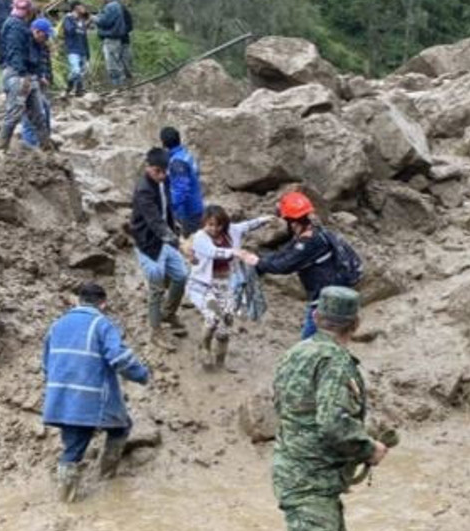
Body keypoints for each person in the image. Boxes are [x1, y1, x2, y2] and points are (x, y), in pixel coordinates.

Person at [248, 286, 390, 531]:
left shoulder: (295, 354)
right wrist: (369, 447)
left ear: (315, 318)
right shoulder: (335, 361)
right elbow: (332, 424)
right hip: (309, 477)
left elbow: (287, 409)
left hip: (299, 468)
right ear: (356, 324)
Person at [42, 282, 150, 503]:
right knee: (120, 428)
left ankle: (67, 497)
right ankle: (104, 478)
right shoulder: (101, 324)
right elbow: (119, 358)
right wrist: (142, 375)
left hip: (61, 396)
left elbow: (46, 363)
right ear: (103, 303)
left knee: (74, 443)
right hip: (91, 396)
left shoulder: (57, 325)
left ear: (79, 300)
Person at [239, 192, 361, 340]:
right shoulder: (313, 233)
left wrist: (257, 262)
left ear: (292, 222)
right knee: (324, 342)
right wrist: (259, 261)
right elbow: (284, 254)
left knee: (309, 343)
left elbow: (283, 265)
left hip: (325, 302)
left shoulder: (309, 243)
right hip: (331, 297)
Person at [186, 205, 271, 371]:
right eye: (210, 224)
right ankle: (204, 347)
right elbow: (213, 252)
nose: (214, 229)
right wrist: (236, 252)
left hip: (227, 284)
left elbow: (247, 225)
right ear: (204, 223)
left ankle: (220, 362)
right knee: (212, 319)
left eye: (218, 225)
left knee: (225, 325)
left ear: (224, 224)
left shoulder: (231, 230)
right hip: (204, 285)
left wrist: (264, 219)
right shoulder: (200, 238)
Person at [131, 147, 189, 345]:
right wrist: (178, 242)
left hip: (166, 239)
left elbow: (167, 208)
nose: (162, 176)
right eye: (158, 172)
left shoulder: (163, 181)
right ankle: (155, 331)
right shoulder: (143, 190)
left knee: (181, 276)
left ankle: (168, 313)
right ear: (149, 167)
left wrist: (175, 227)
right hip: (149, 244)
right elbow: (155, 221)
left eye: (165, 172)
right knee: (156, 288)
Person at [0, 0, 51, 153]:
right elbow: (15, 53)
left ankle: (46, 148)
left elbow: (33, 55)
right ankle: (0, 150)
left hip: (26, 75)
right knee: (14, 114)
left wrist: (37, 75)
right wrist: (22, 75)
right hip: (18, 76)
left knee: (38, 115)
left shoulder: (22, 27)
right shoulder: (15, 26)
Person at [160, 126, 205, 237]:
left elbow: (181, 189)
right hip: (197, 204)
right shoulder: (185, 155)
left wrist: (171, 209)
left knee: (191, 246)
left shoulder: (177, 163)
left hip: (188, 211)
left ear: (164, 143)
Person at [20, 17, 55, 149]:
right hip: (24, 81)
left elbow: (42, 63)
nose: (47, 39)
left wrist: (43, 75)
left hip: (35, 81)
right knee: (28, 113)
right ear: (37, 32)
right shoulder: (26, 44)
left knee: (45, 108)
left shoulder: (40, 45)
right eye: (45, 35)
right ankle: (30, 144)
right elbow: (23, 64)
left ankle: (44, 141)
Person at [94, 0, 129, 86]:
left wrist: (94, 18)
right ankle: (120, 86)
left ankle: (118, 87)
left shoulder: (111, 6)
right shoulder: (116, 5)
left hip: (111, 38)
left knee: (112, 65)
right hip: (115, 38)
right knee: (116, 62)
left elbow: (104, 22)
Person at [61, 1, 91, 96]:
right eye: (81, 6)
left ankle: (77, 90)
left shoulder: (82, 21)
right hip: (73, 49)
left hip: (82, 50)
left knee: (81, 72)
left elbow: (84, 37)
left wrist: (88, 53)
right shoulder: (68, 19)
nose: (83, 8)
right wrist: (75, 21)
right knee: (76, 71)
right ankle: (71, 88)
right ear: (76, 8)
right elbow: (69, 31)